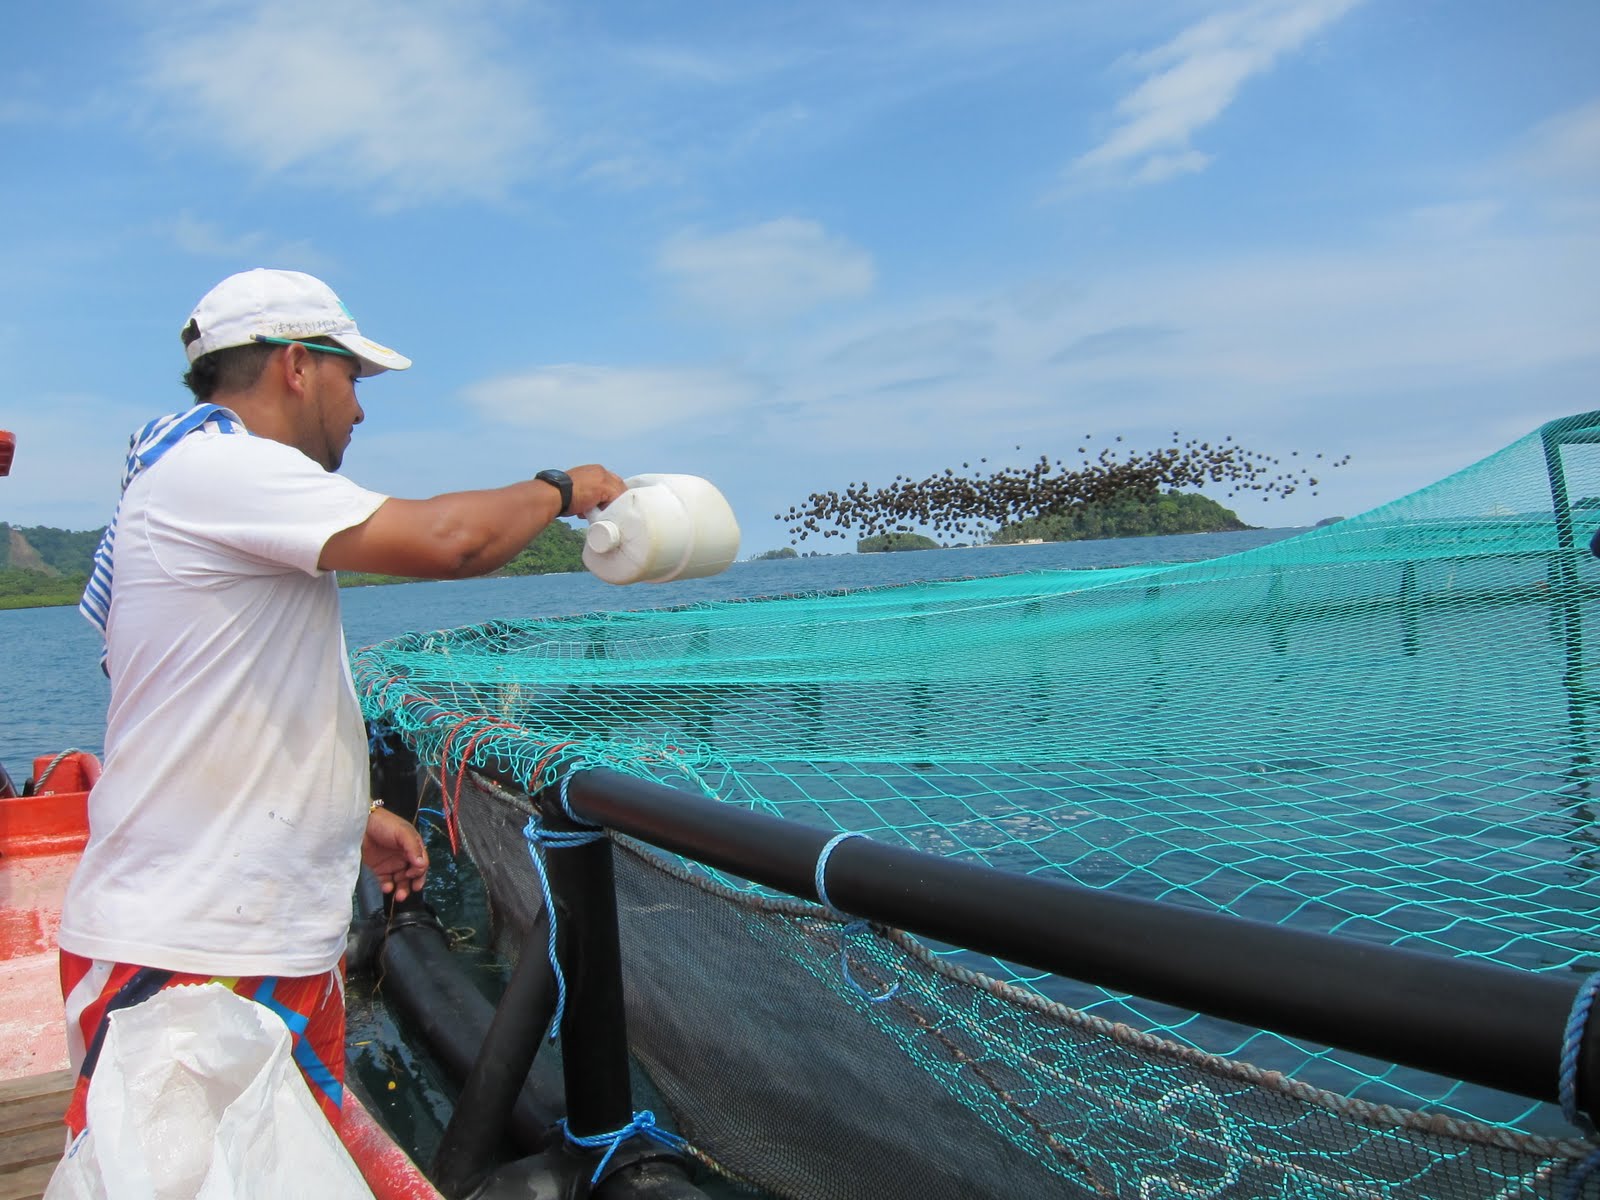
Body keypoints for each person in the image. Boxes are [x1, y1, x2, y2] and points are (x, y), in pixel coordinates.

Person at [57, 267, 627, 1136]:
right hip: (186, 956)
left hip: (256, 944)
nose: (359, 409)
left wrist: (351, 813)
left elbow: (228, 695)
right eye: (351, 379)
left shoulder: (208, 485)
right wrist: (562, 489)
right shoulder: (219, 471)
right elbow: (456, 542)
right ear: (296, 365)